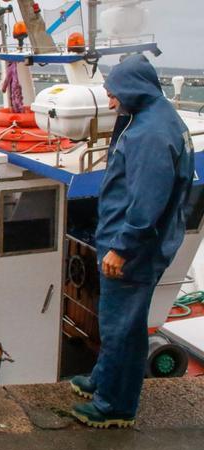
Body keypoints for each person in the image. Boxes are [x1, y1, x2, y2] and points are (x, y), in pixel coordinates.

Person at [70, 54, 194, 428]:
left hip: (135, 249)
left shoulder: (150, 135)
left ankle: (113, 406)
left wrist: (122, 249)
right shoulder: (154, 117)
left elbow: (147, 202)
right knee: (121, 322)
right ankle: (103, 380)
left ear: (133, 89)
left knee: (121, 327)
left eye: (113, 94)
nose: (110, 103)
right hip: (136, 243)